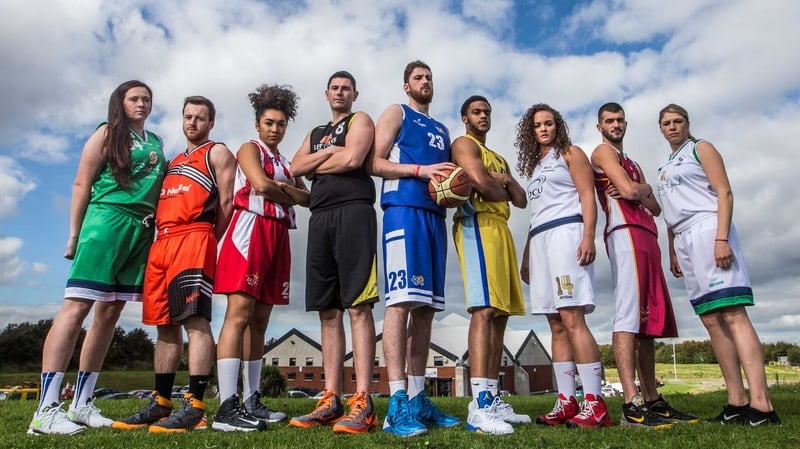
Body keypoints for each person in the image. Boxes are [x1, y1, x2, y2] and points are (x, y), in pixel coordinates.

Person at [29, 80, 166, 435]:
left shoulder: (155, 141)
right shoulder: (107, 133)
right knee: (77, 307)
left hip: (141, 229)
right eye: (134, 98)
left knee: (111, 312)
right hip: (106, 222)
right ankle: (45, 409)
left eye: (146, 99)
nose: (141, 104)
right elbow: (81, 183)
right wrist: (74, 235)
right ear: (119, 102)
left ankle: (82, 404)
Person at [112, 96, 236, 432]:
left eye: (200, 118)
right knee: (164, 325)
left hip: (195, 235)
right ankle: (161, 402)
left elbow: (227, 203)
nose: (192, 123)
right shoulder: (171, 161)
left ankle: (195, 404)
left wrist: (208, 239)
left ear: (211, 123)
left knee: (194, 320)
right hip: (161, 241)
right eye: (188, 117)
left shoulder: (217, 152)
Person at [656, 104, 780, 426]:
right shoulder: (665, 166)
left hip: (708, 229)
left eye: (677, 121)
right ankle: (736, 401)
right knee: (710, 320)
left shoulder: (701, 148)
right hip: (683, 239)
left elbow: (724, 193)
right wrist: (672, 250)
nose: (672, 127)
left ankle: (762, 405)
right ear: (660, 128)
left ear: (686, 123)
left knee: (733, 313)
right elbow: (671, 213)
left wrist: (721, 238)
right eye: (666, 123)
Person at [591, 102, 698, 428]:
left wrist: (643, 189)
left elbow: (654, 206)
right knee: (627, 315)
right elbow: (626, 190)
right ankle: (630, 402)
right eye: (609, 120)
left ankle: (652, 399)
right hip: (623, 234)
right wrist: (638, 190)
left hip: (647, 235)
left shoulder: (632, 162)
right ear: (600, 126)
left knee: (648, 321)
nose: (616, 124)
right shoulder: (601, 152)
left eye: (621, 120)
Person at [371, 60, 461, 437]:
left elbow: (449, 181)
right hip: (403, 212)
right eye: (418, 78)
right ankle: (396, 403)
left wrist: (458, 189)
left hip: (434, 218)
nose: (425, 82)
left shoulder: (442, 129)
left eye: (429, 78)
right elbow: (372, 162)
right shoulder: (397, 111)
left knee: (425, 310)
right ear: (406, 86)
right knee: (401, 303)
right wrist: (420, 172)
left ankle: (419, 398)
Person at [212, 84, 309, 432]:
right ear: (258, 124)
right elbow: (261, 185)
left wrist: (282, 188)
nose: (275, 129)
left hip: (279, 234)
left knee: (260, 321)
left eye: (281, 124)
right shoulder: (249, 148)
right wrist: (286, 190)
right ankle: (226, 405)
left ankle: (251, 399)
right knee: (238, 315)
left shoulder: (285, 161)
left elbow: (306, 197)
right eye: (269, 122)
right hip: (250, 230)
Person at [288, 71, 379, 434]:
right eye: (335, 88)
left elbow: (354, 159)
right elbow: (295, 168)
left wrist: (318, 161)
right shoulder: (315, 134)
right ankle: (330, 397)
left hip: (354, 211)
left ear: (355, 93)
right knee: (328, 310)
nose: (340, 92)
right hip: (320, 216)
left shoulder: (361, 120)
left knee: (357, 305)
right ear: (326, 94)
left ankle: (362, 400)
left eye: (346, 88)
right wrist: (328, 150)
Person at [515, 104, 610, 429]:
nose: (544, 129)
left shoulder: (570, 153)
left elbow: (587, 196)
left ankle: (595, 403)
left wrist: (588, 237)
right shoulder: (535, 166)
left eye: (549, 123)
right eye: (538, 125)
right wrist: (527, 254)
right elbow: (536, 214)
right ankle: (567, 400)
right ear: (531, 131)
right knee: (554, 323)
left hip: (566, 234)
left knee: (572, 317)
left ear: (558, 126)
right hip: (540, 240)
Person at [451, 95, 529, 435]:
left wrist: (506, 181)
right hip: (477, 225)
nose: (483, 117)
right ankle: (479, 404)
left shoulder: (496, 157)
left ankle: (494, 398)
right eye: (477, 112)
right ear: (465, 117)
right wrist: (496, 183)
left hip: (502, 230)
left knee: (500, 314)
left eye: (487, 113)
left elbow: (521, 199)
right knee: (483, 310)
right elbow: (481, 184)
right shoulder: (463, 144)